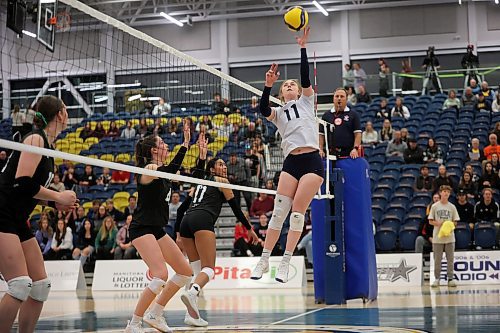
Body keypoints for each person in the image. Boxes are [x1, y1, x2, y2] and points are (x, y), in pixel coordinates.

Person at [250, 27, 324, 284]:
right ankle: (264, 259)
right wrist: (267, 85)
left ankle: (286, 261)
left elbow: (305, 78)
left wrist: (302, 47)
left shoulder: (306, 102)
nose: (291, 85)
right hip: (291, 161)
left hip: (312, 162)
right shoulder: (279, 113)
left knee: (296, 212)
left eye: (293, 84)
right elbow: (262, 108)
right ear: (282, 94)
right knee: (278, 212)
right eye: (286, 85)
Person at [0, 96, 77, 332]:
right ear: (61, 115)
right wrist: (58, 196)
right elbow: (22, 182)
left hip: (17, 216)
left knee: (40, 285)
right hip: (2, 211)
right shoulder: (35, 138)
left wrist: (55, 205)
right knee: (20, 285)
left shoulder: (47, 147)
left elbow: (28, 190)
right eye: (66, 110)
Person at [124, 121, 196, 333]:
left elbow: (172, 171)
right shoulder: (150, 168)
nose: (166, 145)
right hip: (141, 228)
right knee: (160, 274)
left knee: (185, 272)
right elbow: (171, 169)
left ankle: (155, 313)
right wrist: (184, 145)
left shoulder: (162, 172)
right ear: (154, 150)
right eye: (163, 143)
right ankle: (134, 323)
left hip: (156, 228)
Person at [179, 158, 259, 326]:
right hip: (202, 220)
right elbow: (236, 208)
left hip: (186, 221)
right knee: (209, 270)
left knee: (197, 272)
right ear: (212, 168)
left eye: (224, 164)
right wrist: (249, 228)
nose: (224, 167)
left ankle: (191, 315)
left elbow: (181, 208)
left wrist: (178, 233)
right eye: (220, 164)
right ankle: (193, 291)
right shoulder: (222, 181)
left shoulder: (200, 182)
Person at [429, 185, 459, 288]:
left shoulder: (452, 207)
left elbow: (455, 221)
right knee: (437, 260)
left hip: (450, 238)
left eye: (448, 192)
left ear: (449, 194)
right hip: (437, 238)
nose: (446, 193)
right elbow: (430, 221)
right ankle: (437, 279)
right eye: (444, 191)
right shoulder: (434, 206)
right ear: (440, 193)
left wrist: (449, 225)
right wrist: (438, 223)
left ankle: (450, 278)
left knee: (450, 259)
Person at [319, 88, 362, 158]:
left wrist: (355, 149)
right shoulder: (326, 115)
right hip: (330, 154)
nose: (339, 99)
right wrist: (320, 149)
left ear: (346, 99)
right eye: (337, 96)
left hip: (349, 154)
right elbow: (321, 134)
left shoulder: (353, 114)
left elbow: (358, 134)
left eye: (342, 96)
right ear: (333, 98)